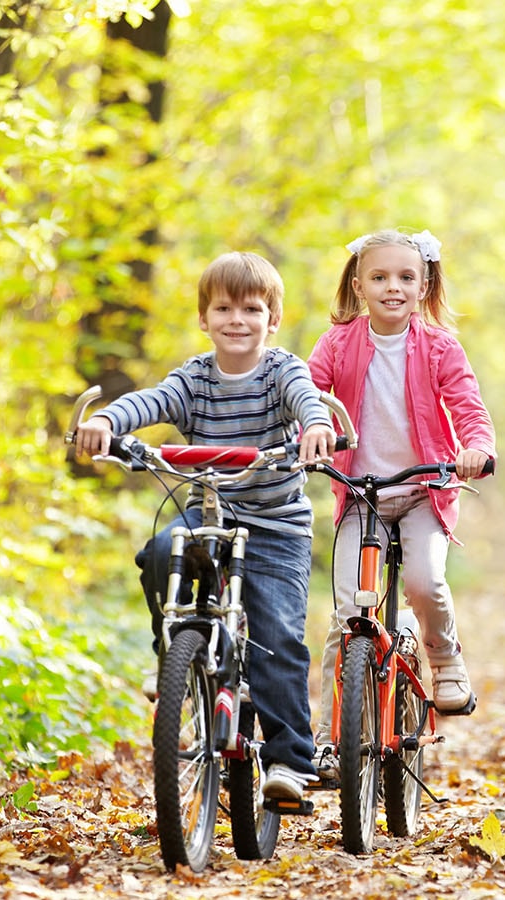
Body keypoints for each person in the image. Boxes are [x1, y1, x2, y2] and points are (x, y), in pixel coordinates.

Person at [73, 251, 337, 803]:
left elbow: (306, 400)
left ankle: (291, 761)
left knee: (279, 639)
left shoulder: (280, 370)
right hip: (208, 511)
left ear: (273, 319)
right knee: (159, 551)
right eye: (223, 308)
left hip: (275, 527)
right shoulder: (194, 378)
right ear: (204, 318)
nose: (236, 319)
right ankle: (174, 653)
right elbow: (152, 401)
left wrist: (314, 426)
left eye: (251, 308)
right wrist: (105, 420)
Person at [306, 229, 496, 776]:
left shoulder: (439, 347)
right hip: (360, 494)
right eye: (380, 277)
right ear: (359, 284)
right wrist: (313, 431)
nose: (393, 287)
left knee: (425, 581)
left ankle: (443, 658)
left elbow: (467, 406)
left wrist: (477, 447)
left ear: (424, 284)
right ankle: (328, 738)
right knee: (346, 619)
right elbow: (310, 395)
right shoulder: (337, 343)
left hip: (422, 492)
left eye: (406, 277)